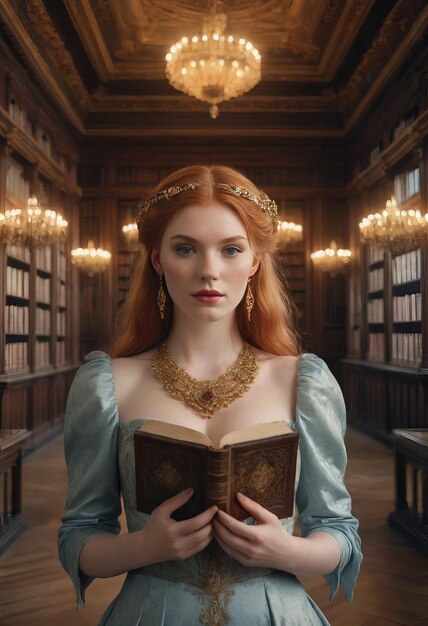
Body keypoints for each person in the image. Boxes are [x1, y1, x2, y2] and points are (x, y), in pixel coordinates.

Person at [58, 164, 362, 626]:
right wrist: (141, 547)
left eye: (231, 250)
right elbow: (78, 538)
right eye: (186, 249)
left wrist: (289, 551)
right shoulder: (108, 384)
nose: (209, 271)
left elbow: (339, 533)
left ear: (255, 261)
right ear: (158, 259)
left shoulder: (303, 381)